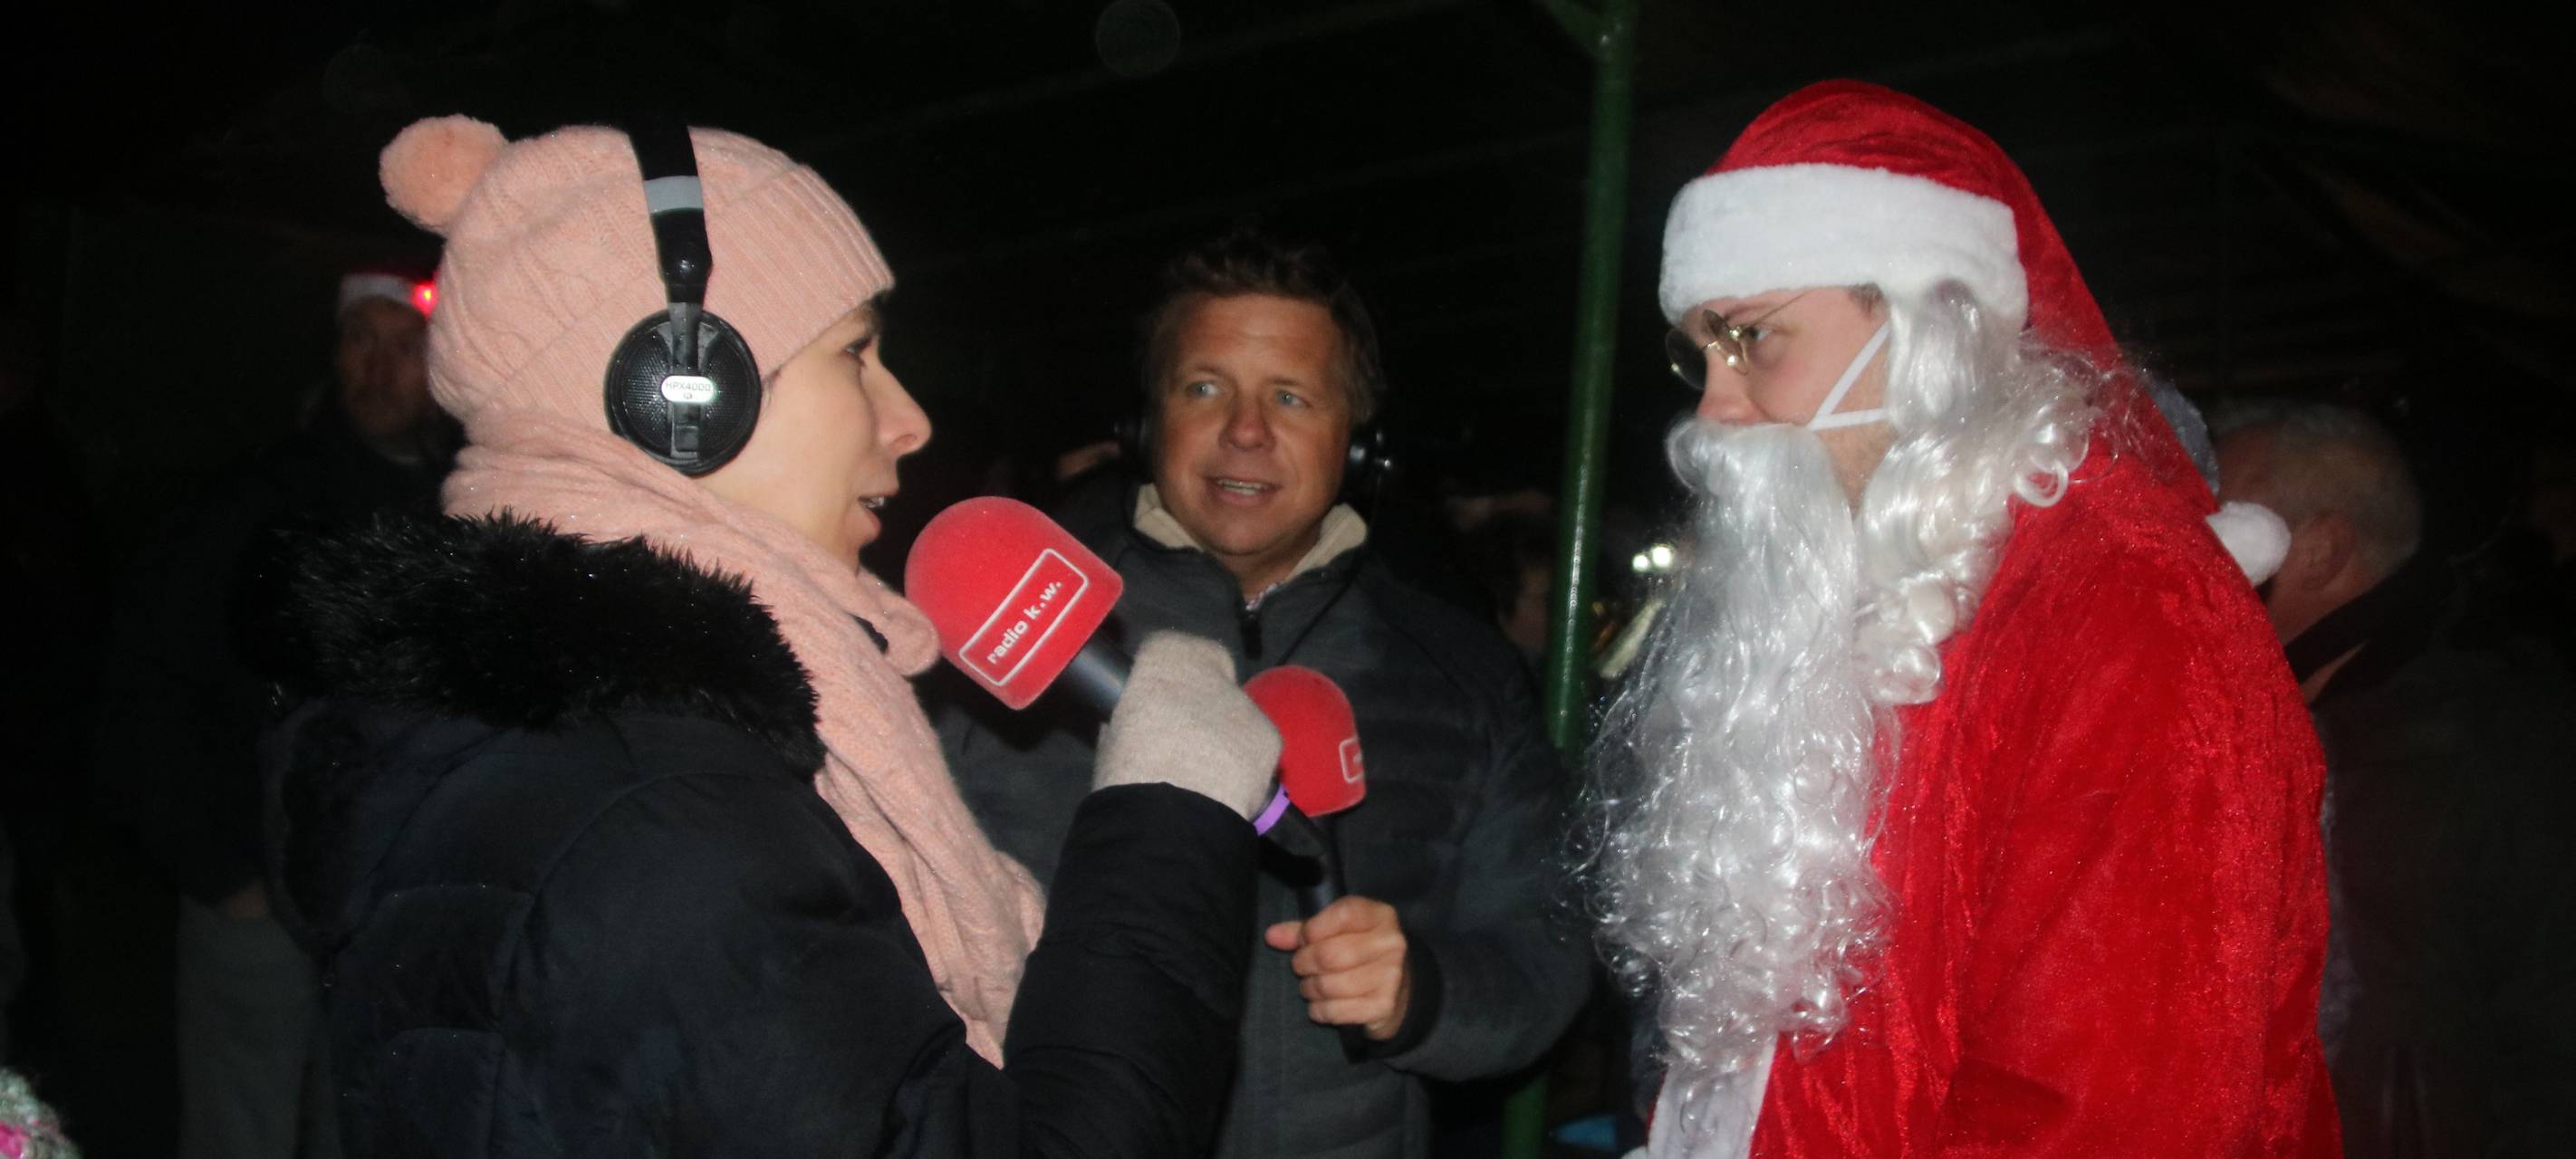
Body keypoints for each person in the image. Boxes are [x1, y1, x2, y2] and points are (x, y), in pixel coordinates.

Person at [260, 115, 1284, 1157]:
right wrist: (1170, 818)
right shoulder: (668, 832)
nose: (910, 419)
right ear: (682, 392)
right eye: (856, 352)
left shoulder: (567, 747)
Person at [1584, 81, 2338, 1156]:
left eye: (1753, 339)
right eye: (1699, 352)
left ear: (1924, 324)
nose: (1715, 409)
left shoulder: (2128, 610)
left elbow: (2112, 1115)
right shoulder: (1855, 583)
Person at [936, 227, 1589, 1158]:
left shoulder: (1462, 672)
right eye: (1205, 388)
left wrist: (1424, 993)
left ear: (1355, 441)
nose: (1246, 431)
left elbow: (1546, 950)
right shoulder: (1002, 637)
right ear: (1146, 421)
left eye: (1290, 396)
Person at [90, 264, 452, 1159]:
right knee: (237, 1126)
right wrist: (218, 866)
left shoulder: (464, 510)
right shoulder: (255, 502)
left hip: (393, 907)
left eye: (406, 347)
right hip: (259, 895)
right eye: (361, 340)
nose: (379, 367)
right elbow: (151, 673)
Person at [2216, 401, 2576, 1156]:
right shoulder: (2266, 717)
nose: (2200, 543)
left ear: (2320, 552)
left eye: (2223, 514)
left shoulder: (2496, 742)